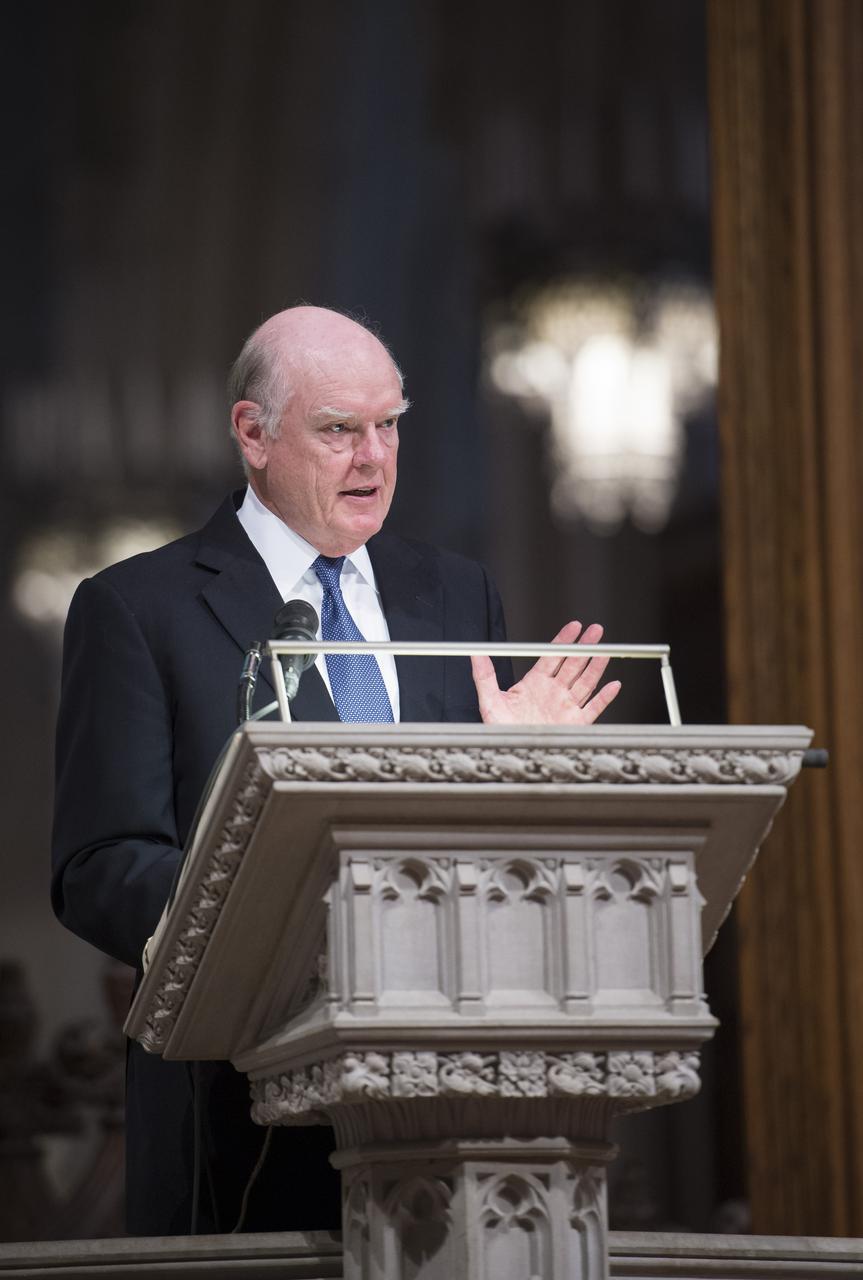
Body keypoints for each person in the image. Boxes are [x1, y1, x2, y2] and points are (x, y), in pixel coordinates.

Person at [51, 306, 620, 1235]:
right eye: (338, 431)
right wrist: (271, 926)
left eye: (389, 424)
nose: (374, 457)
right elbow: (101, 863)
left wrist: (522, 767)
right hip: (237, 1119)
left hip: (455, 1105)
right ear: (253, 434)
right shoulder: (138, 609)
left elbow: (479, 847)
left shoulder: (453, 592)